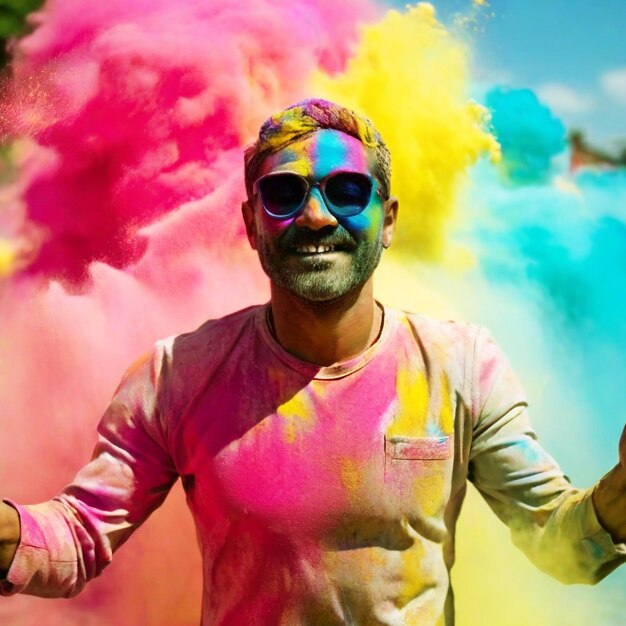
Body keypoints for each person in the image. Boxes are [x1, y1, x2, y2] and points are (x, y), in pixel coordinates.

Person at [1, 98, 625, 625]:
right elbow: (76, 538)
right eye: (283, 193)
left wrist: (621, 494)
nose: (317, 215)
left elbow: (559, 540)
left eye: (348, 191)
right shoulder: (176, 376)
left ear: (389, 221)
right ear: (251, 223)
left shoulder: (462, 365)